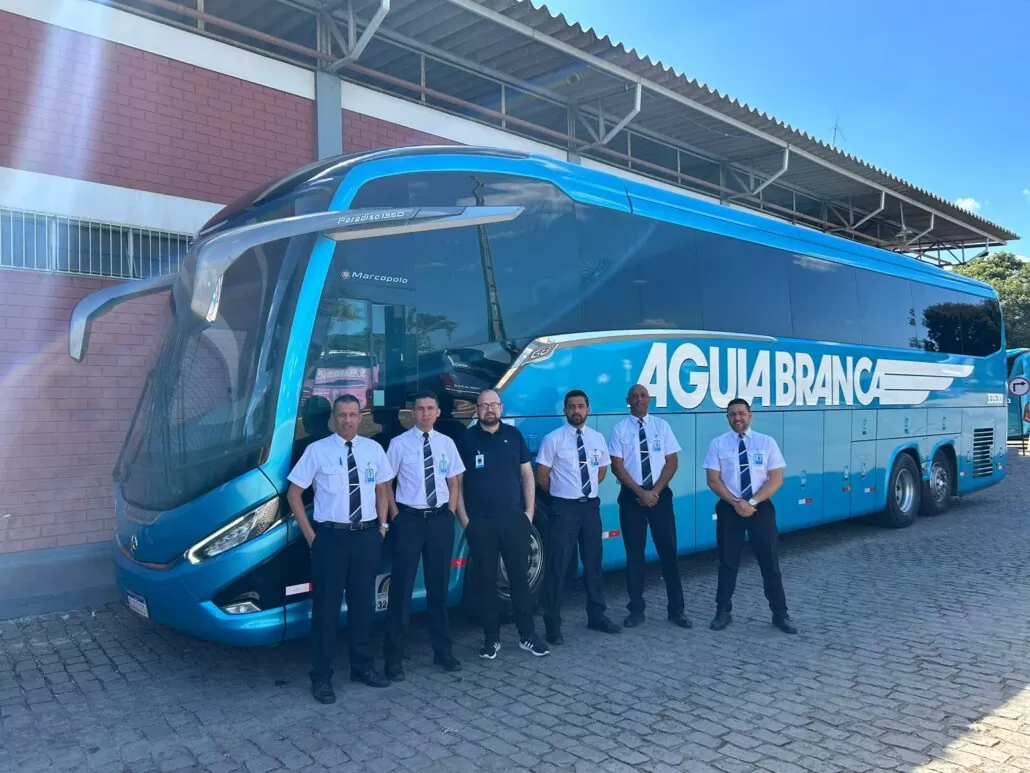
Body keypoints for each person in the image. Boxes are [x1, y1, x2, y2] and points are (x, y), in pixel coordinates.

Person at [286, 394, 395, 704]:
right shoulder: (316, 451)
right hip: (330, 540)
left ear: (360, 417)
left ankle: (362, 667)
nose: (348, 420)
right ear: (333, 418)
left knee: (364, 606)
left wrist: (383, 526)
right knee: (326, 610)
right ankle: (321, 676)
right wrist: (311, 536)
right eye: (342, 415)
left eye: (353, 414)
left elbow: (383, 489)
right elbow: (295, 495)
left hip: (366, 537)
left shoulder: (373, 449)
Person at [455, 389, 550, 659]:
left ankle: (527, 635)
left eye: (493, 405)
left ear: (501, 407)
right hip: (480, 525)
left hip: (514, 522)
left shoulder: (513, 436)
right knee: (485, 582)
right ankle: (491, 639)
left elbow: (527, 475)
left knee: (519, 580)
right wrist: (465, 520)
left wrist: (529, 513)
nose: (489, 410)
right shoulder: (466, 439)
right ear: (477, 409)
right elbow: (457, 483)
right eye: (484, 406)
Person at [382, 391, 465, 680]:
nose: (426, 414)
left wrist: (450, 513)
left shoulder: (446, 444)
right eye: (420, 409)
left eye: (431, 409)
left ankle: (443, 652)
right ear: (412, 413)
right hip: (410, 521)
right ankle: (393, 658)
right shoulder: (398, 444)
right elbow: (386, 484)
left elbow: (454, 482)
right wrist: (395, 516)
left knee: (438, 588)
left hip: (440, 520)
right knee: (401, 590)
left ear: (438, 413)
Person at [703, 398, 796, 635]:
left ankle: (780, 614)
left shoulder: (767, 443)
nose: (737, 418)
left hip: (760, 508)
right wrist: (736, 503)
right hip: (729, 507)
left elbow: (776, 479)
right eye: (732, 414)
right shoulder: (717, 444)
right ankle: (723, 612)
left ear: (750, 415)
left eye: (741, 413)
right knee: (727, 563)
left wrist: (752, 502)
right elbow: (713, 480)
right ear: (727, 417)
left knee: (770, 564)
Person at [535, 389, 622, 644]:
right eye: (571, 407)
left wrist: (585, 491)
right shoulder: (553, 439)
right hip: (564, 509)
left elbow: (602, 469)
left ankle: (597, 616)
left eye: (581, 406)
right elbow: (542, 475)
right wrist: (565, 494)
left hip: (590, 509)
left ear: (588, 409)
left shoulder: (596, 438)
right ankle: (552, 623)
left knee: (594, 565)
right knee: (558, 567)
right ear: (565, 411)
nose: (576, 411)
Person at [607, 384, 691, 629]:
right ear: (628, 401)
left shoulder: (661, 427)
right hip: (631, 498)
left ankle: (677, 610)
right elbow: (617, 466)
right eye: (634, 396)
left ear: (650, 399)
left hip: (660, 497)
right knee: (634, 555)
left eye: (643, 395)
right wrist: (640, 492)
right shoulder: (619, 429)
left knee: (668, 553)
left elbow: (672, 461)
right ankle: (635, 610)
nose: (639, 399)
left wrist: (654, 491)